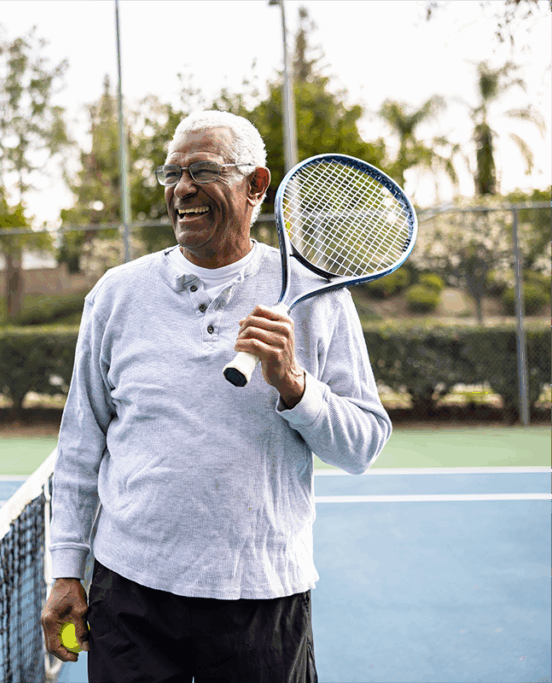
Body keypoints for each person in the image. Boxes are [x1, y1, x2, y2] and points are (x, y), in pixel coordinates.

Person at [40, 110, 392, 683]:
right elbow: (81, 444)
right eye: (172, 173)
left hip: (263, 593)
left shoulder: (318, 296)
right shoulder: (116, 294)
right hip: (131, 593)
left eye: (202, 170)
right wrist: (65, 570)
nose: (183, 189)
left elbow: (363, 446)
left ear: (256, 185)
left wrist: (294, 386)